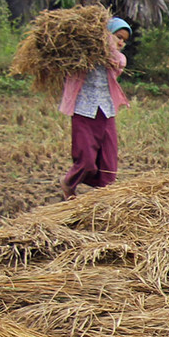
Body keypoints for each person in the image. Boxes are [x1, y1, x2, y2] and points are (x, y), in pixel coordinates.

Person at [61, 16, 131, 200]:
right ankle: (69, 184)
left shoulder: (117, 59)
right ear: (106, 35)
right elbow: (69, 60)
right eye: (118, 36)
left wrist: (110, 43)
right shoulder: (85, 55)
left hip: (106, 112)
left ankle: (102, 202)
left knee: (109, 165)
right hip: (84, 111)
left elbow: (116, 60)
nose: (121, 42)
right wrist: (102, 39)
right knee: (86, 160)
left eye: (124, 40)